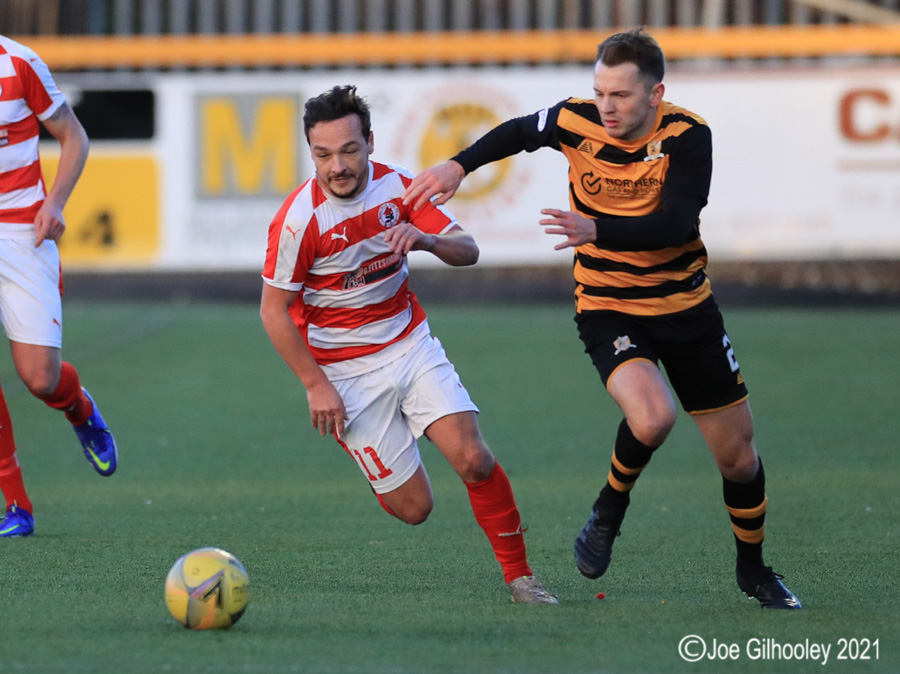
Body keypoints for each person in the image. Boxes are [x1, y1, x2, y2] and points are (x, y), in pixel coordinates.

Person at [403, 29, 801, 609]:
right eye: (599, 92)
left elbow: (676, 224)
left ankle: (753, 569)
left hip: (686, 309)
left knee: (738, 458)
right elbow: (519, 132)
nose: (606, 107)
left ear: (655, 94)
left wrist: (596, 228)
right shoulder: (576, 118)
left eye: (620, 95)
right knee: (653, 417)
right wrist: (459, 165)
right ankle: (609, 509)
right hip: (609, 305)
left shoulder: (687, 136)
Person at [260, 85, 556, 605]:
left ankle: (521, 578)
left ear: (370, 142)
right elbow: (272, 311)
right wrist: (315, 385)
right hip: (344, 374)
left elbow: (468, 249)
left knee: (473, 458)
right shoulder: (298, 221)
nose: (337, 167)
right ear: (311, 153)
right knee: (414, 508)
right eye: (323, 155)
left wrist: (427, 240)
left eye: (349, 150)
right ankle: (378, 458)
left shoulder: (401, 189)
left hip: (409, 343)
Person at [0, 36, 119, 538]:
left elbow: (73, 136)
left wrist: (55, 203)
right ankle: (17, 507)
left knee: (40, 378)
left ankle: (80, 410)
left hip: (21, 232)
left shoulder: (19, 62)